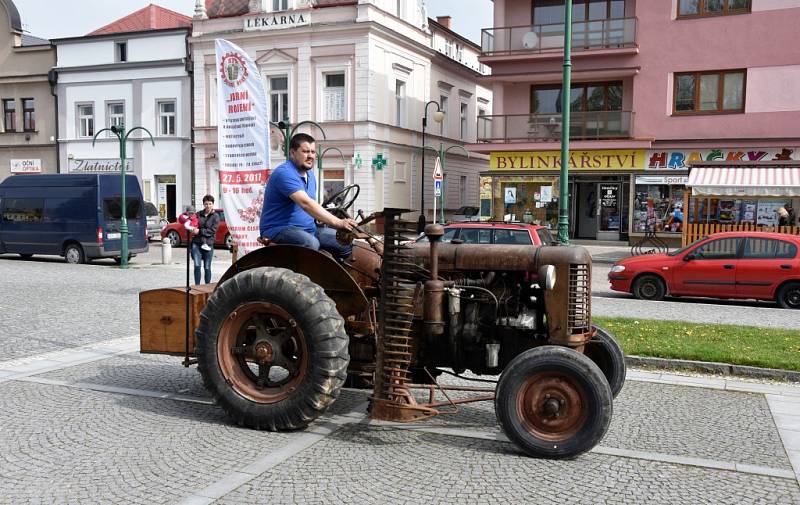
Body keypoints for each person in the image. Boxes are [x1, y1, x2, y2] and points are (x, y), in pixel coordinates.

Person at [259, 133, 357, 260]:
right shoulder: (284, 173)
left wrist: (327, 219)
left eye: (313, 151)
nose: (310, 155)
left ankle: (335, 276)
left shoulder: (310, 176)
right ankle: (303, 278)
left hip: (309, 229)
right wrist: (338, 222)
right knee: (311, 244)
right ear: (293, 152)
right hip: (278, 230)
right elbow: (306, 204)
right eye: (305, 151)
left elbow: (313, 205)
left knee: (346, 243)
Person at [191, 195, 220, 284]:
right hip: (197, 243)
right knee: (197, 265)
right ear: (203, 204)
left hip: (209, 244)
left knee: (207, 267)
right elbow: (193, 223)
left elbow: (212, 231)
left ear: (213, 204)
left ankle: (207, 287)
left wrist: (199, 231)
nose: (208, 206)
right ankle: (197, 286)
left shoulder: (215, 216)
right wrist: (191, 227)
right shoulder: (198, 214)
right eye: (206, 204)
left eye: (210, 204)